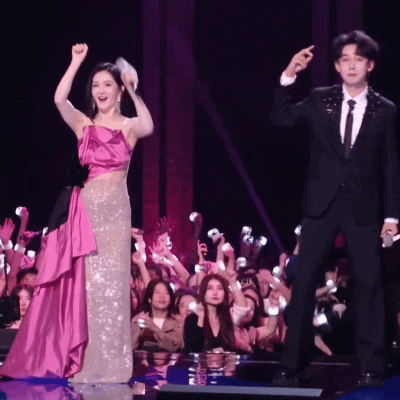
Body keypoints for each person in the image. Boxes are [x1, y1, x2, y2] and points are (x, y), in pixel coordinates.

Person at [0, 43, 153, 382]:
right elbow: (59, 100)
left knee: (112, 288)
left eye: (108, 84)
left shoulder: (129, 126)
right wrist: (75, 61)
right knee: (86, 288)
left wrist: (133, 87)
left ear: (118, 91)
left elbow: (148, 126)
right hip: (85, 212)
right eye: (96, 85)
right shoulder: (84, 124)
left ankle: (112, 364)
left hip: (116, 213)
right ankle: (83, 360)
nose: (101, 90)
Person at [270, 31, 400, 387]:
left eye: (358, 59)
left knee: (370, 283)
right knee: (304, 281)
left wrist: (392, 217)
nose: (351, 65)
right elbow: (281, 117)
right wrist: (289, 75)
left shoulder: (385, 110)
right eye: (345, 59)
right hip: (320, 203)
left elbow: (391, 166)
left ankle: (372, 365)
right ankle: (292, 362)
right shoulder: (319, 99)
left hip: (363, 207)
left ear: (370, 65)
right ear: (338, 66)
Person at [131, 279, 183, 352]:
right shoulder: (139, 318)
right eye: (157, 292)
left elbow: (174, 347)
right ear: (149, 299)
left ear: (171, 300)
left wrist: (155, 328)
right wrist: (138, 330)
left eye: (167, 293)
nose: (162, 296)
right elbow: (130, 347)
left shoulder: (177, 321)